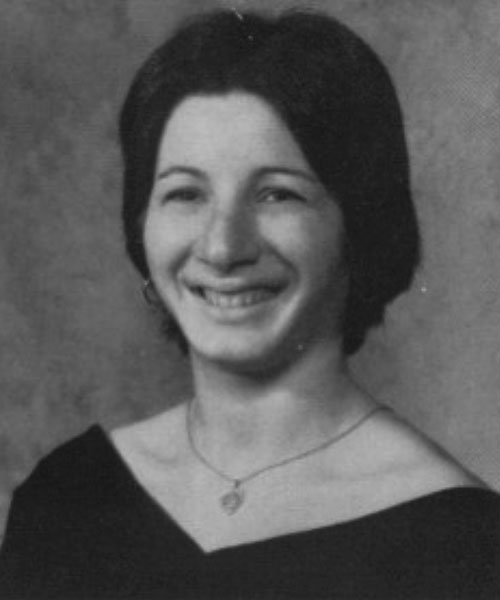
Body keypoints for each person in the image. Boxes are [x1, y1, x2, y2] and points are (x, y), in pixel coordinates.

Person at [0, 8, 499, 600]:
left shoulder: (461, 542)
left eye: (277, 194)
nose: (223, 247)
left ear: (360, 224)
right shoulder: (67, 498)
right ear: (141, 224)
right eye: (185, 194)